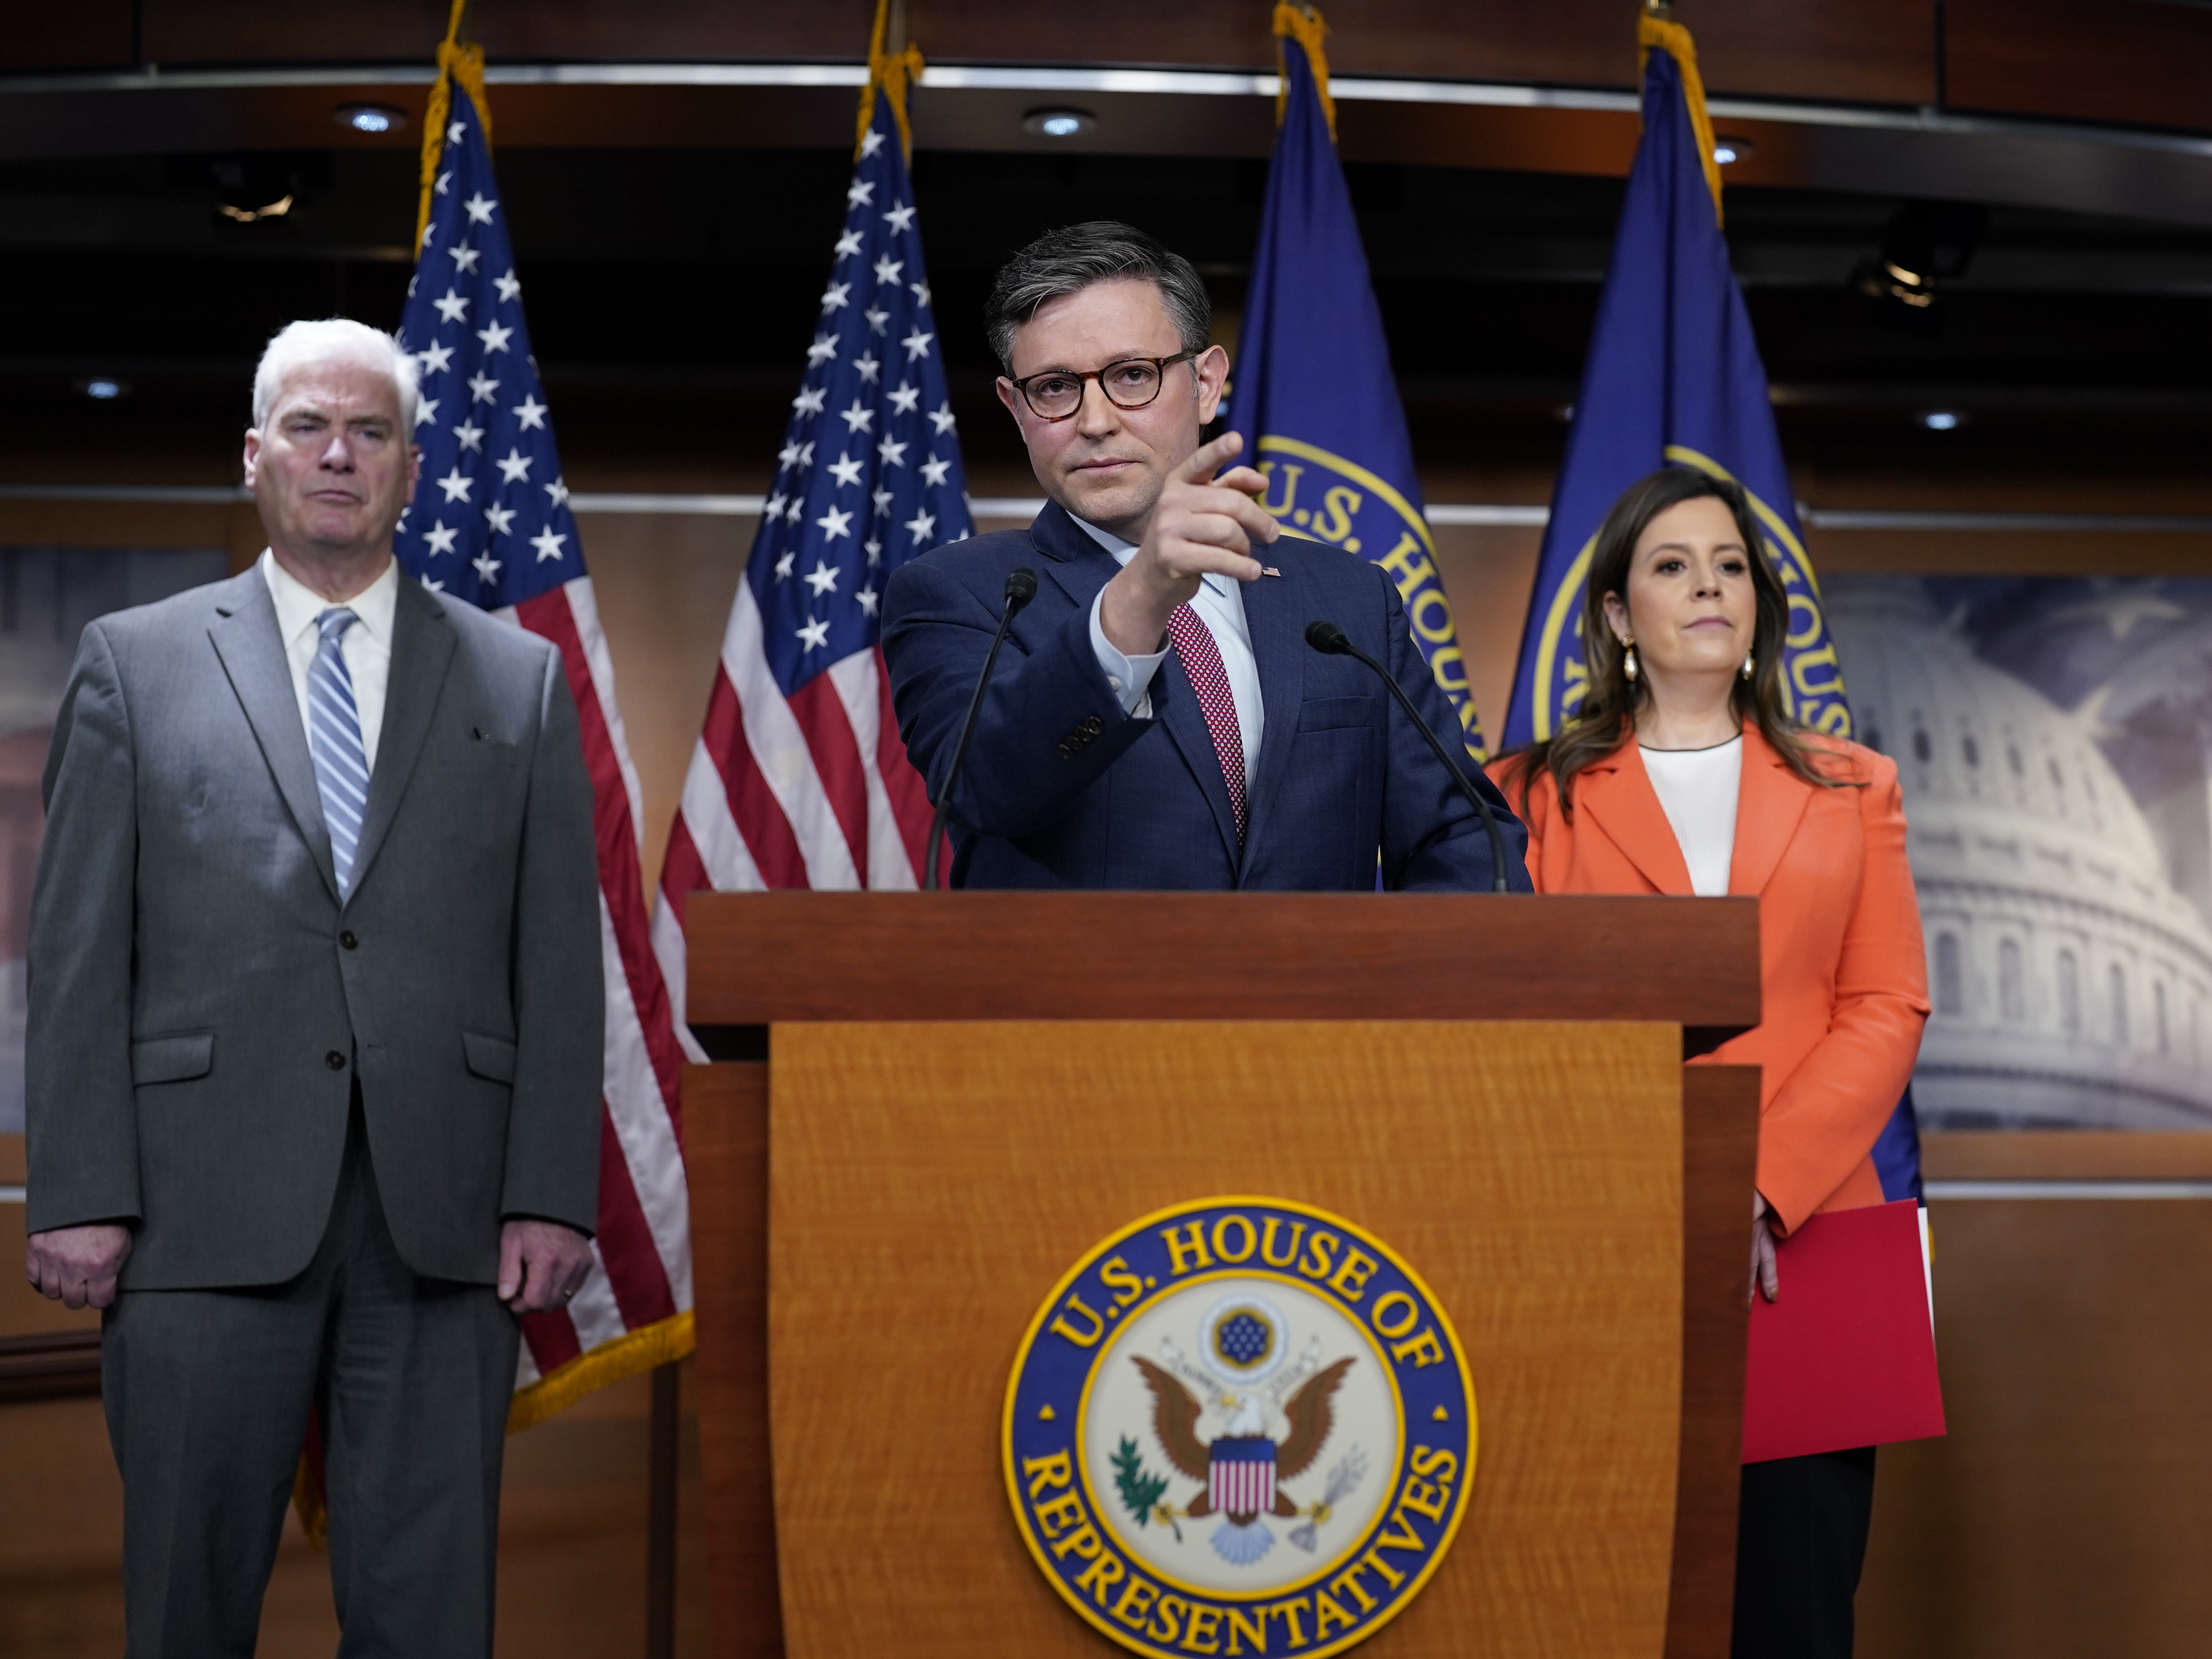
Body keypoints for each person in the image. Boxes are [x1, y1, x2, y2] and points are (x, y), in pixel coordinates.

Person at [21, 318, 604, 1657]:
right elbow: (76, 952)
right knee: (187, 1602)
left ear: (410, 468)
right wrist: (82, 1192)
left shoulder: (516, 678)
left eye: (371, 432)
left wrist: (545, 1188)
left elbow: (556, 957)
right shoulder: (134, 659)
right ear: (255, 457)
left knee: (428, 1616)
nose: (338, 453)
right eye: (306, 426)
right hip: (188, 1212)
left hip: (445, 1220)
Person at [1488, 465, 1928, 1659]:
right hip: (1601, 1237)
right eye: (1673, 567)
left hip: (1815, 1237)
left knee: (1791, 1609)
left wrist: (1752, 1184)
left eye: (1731, 566)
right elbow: (1518, 1026)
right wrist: (1661, 1193)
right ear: (1619, 616)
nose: (1708, 588)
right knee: (1600, 1602)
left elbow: (1884, 1002)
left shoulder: (1853, 787)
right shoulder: (1526, 797)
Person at [882, 221, 1526, 892]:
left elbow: (1463, 838)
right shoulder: (956, 592)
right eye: (1053, 388)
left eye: (1133, 375)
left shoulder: (1349, 598)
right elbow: (991, 789)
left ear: (1207, 382)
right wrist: (1140, 595)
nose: (1096, 419)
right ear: (1015, 408)